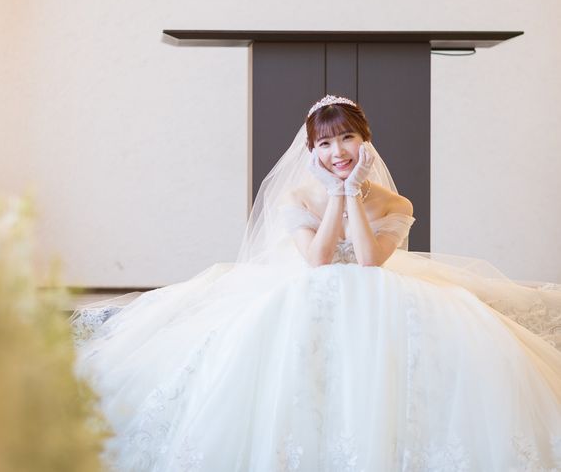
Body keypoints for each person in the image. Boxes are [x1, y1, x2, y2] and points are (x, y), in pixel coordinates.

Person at [72, 94, 561, 471]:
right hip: (312, 286)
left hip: (378, 290)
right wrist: (334, 194)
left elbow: (369, 261)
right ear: (312, 152)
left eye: (346, 138)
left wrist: (353, 192)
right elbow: (319, 260)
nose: (337, 151)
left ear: (365, 141)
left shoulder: (395, 203)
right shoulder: (300, 197)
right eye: (324, 144)